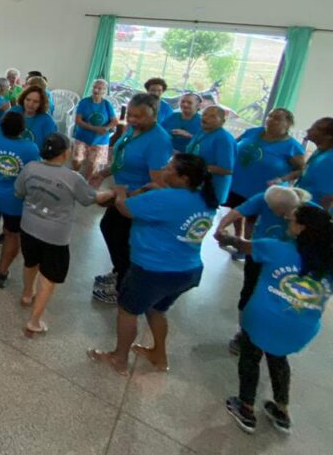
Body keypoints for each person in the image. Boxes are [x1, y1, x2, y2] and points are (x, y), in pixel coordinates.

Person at [89, 153, 218, 376]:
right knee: (157, 310)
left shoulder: (165, 198)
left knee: (127, 311)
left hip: (152, 270)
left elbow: (125, 208)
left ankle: (119, 358)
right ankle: (159, 355)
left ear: (184, 178)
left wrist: (120, 191)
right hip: (187, 270)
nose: (164, 170)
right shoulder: (205, 199)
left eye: (170, 169)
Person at [219, 203, 333, 436]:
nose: (287, 223)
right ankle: (282, 411)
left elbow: (242, 245)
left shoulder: (277, 248)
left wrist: (224, 236)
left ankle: (246, 408)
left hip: (263, 319)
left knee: (250, 358)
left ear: (302, 228)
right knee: (278, 358)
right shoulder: (328, 264)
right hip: (300, 328)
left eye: (291, 220)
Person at [16, 134, 109, 336]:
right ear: (67, 153)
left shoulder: (30, 167)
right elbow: (90, 199)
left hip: (28, 226)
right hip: (55, 235)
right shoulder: (73, 178)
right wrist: (112, 194)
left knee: (30, 262)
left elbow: (19, 192)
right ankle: (34, 321)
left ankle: (26, 294)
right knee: (49, 276)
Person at [92, 93, 173, 304]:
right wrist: (103, 173)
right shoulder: (132, 131)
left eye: (140, 116)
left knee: (123, 240)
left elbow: (158, 184)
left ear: (154, 115)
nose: (134, 120)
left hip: (137, 201)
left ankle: (122, 287)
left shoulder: (158, 140)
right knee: (109, 228)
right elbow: (122, 159)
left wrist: (127, 197)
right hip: (122, 193)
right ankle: (120, 271)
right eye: (131, 115)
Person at [215, 185, 308, 355]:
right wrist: (221, 227)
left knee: (282, 297)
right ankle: (244, 334)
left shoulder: (309, 212)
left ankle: (273, 336)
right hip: (258, 254)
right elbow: (237, 212)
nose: (274, 213)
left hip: (288, 263)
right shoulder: (267, 197)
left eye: (279, 212)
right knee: (249, 292)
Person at [226, 108, 305, 259]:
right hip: (239, 183)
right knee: (238, 211)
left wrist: (281, 179)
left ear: (288, 123)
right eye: (270, 116)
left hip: (264, 188)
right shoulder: (253, 132)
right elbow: (233, 146)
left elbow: (300, 170)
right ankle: (238, 240)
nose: (271, 120)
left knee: (252, 218)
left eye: (277, 118)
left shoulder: (291, 146)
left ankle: (249, 246)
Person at [0, 111, 41, 286]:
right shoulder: (31, 148)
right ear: (22, 130)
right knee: (12, 234)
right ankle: (2, 271)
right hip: (16, 201)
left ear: (1, 126)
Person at [186, 105, 237, 206]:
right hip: (195, 184)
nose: (205, 118)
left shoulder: (223, 139)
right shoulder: (201, 131)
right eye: (204, 114)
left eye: (212, 116)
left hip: (211, 190)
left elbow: (227, 169)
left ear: (223, 121)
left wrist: (197, 167)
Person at [72, 79, 118, 182]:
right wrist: (95, 128)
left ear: (104, 91)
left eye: (99, 88)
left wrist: (106, 128)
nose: (96, 90)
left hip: (100, 139)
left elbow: (114, 121)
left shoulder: (107, 104)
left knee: (94, 163)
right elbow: (78, 120)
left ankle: (85, 183)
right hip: (83, 136)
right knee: (77, 160)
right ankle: (74, 178)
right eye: (94, 87)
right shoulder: (84, 102)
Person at [293, 117, 333, 209]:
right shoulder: (319, 152)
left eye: (316, 128)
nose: (309, 130)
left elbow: (328, 197)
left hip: (312, 214)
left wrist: (317, 221)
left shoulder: (330, 159)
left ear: (329, 136)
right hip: (302, 208)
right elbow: (306, 172)